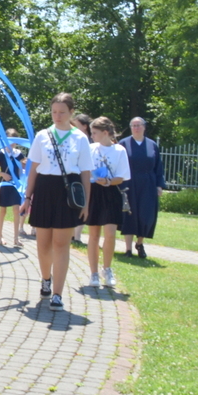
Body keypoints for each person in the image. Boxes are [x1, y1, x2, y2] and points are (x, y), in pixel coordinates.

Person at [20, 93, 92, 310]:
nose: (57, 116)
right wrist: (27, 197)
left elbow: (86, 173)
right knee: (43, 244)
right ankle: (45, 280)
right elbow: (33, 168)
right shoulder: (42, 135)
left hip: (67, 191)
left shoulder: (80, 138)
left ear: (71, 113)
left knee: (61, 244)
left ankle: (58, 294)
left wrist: (86, 203)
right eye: (54, 112)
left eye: (62, 112)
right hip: (44, 189)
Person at [86, 117, 130, 287]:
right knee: (94, 235)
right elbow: (85, 171)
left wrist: (108, 182)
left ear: (105, 133)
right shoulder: (90, 149)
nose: (92, 136)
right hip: (94, 193)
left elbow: (122, 176)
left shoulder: (119, 150)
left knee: (110, 233)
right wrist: (95, 179)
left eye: (95, 133)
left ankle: (107, 268)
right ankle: (94, 273)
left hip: (111, 193)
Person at [120, 116, 165, 257]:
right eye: (133, 125)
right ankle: (128, 249)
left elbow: (158, 167)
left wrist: (159, 185)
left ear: (144, 127)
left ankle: (139, 243)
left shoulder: (152, 145)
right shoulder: (123, 144)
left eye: (139, 125)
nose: (136, 128)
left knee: (146, 215)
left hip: (148, 184)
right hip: (129, 184)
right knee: (129, 214)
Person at [0, 128, 26, 247]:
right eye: (10, 140)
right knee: (3, 210)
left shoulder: (19, 154)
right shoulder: (0, 154)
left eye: (14, 140)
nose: (12, 143)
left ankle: (16, 239)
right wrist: (4, 175)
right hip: (4, 185)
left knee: (16, 210)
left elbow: (22, 170)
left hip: (15, 186)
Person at [71, 112, 92, 243]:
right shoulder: (74, 139)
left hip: (88, 178)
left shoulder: (89, 141)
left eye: (76, 125)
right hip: (75, 178)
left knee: (83, 204)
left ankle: (77, 235)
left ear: (84, 126)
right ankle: (73, 234)